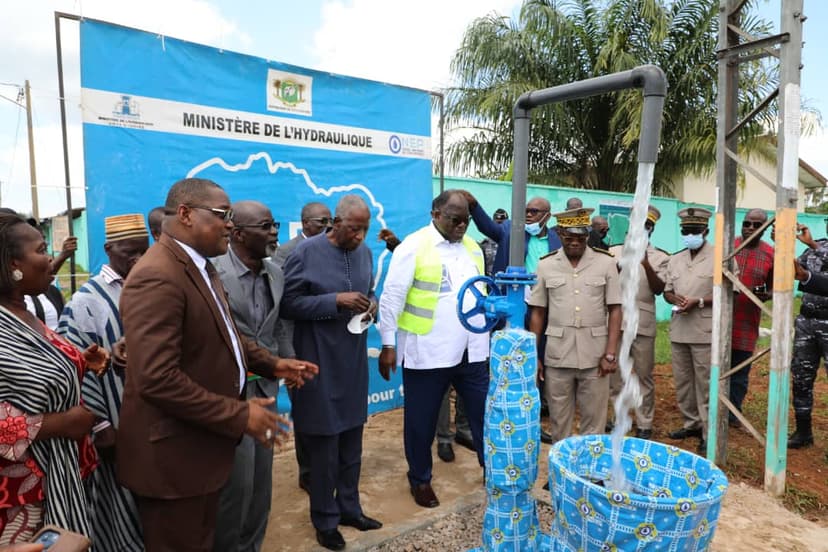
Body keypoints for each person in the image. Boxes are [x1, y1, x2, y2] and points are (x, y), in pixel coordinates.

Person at [116, 178, 318, 551]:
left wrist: (274, 364)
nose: (229, 223)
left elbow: (226, 336)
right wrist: (239, 414)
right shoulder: (158, 275)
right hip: (172, 462)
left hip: (198, 450)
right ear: (185, 214)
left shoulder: (199, 267)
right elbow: (157, 380)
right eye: (222, 215)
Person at [281, 195, 381, 551]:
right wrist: (334, 301)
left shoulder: (366, 253)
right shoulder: (305, 253)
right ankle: (325, 520)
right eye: (355, 229)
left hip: (352, 360)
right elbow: (288, 305)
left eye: (365, 229)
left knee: (352, 441)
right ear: (335, 223)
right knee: (323, 448)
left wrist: (371, 304)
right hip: (317, 360)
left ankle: (350, 508)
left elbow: (368, 291)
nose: (360, 236)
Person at [379, 190, 490, 510]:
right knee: (420, 421)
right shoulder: (413, 247)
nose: (462, 226)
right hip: (428, 352)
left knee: (484, 415)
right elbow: (391, 299)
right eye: (455, 219)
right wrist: (388, 344)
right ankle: (420, 479)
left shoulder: (473, 248)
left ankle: (492, 472)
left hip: (472, 351)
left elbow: (478, 293)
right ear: (435, 215)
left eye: (466, 221)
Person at [0, 212, 107, 543]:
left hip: (63, 478)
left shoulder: (25, 312)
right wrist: (61, 424)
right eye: (42, 249)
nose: (51, 258)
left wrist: (77, 362)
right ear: (13, 264)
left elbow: (30, 375)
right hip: (22, 497)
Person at [57, 213, 150, 551]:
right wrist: (100, 426)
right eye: (130, 252)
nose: (138, 259)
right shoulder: (87, 300)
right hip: (115, 420)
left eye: (143, 250)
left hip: (152, 421)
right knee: (118, 506)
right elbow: (75, 371)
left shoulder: (151, 288)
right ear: (109, 249)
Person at [212, 201, 293, 552]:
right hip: (230, 393)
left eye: (274, 223)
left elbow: (277, 327)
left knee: (262, 484)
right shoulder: (212, 273)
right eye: (265, 226)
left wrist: (285, 363)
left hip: (268, 389)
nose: (274, 231)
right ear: (239, 234)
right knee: (236, 487)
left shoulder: (276, 272)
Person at [528, 207, 622, 446]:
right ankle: (561, 473)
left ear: (587, 234)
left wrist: (610, 353)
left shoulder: (605, 263)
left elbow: (615, 309)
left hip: (596, 355)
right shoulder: (546, 265)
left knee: (595, 421)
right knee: (560, 421)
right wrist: (533, 354)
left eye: (580, 237)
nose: (575, 243)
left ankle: (590, 474)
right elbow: (538, 311)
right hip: (557, 356)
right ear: (559, 233)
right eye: (569, 237)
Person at [272, 200, 332, 494]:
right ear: (305, 222)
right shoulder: (286, 253)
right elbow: (281, 308)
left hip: (327, 343)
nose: (327, 226)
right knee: (306, 410)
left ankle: (327, 467)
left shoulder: (334, 250)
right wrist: (288, 354)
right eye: (322, 221)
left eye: (330, 220)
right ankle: (308, 472)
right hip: (297, 345)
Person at [607, 205, 669, 439]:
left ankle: (644, 423)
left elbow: (660, 289)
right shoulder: (612, 252)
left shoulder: (661, 257)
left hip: (642, 323)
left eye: (646, 226)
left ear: (651, 228)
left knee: (643, 375)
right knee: (615, 375)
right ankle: (618, 418)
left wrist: (645, 263)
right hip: (616, 322)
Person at [663, 207, 714, 453]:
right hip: (680, 328)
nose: (690, 235)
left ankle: (707, 431)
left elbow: (728, 292)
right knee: (683, 381)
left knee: (704, 383)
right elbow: (666, 290)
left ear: (706, 230)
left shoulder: (720, 256)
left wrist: (699, 301)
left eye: (694, 231)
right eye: (686, 231)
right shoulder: (675, 258)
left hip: (704, 329)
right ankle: (691, 423)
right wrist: (674, 299)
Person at [729, 209, 773, 426]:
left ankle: (733, 412)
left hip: (747, 321)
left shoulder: (770, 254)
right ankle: (712, 409)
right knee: (715, 367)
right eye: (747, 223)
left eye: (757, 225)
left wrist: (767, 295)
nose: (750, 229)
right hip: (719, 321)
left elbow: (774, 287)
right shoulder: (728, 248)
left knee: (740, 370)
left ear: (764, 228)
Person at [788, 221, 828, 448]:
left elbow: (807, 276)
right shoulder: (813, 249)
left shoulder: (815, 246)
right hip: (807, 322)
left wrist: (812, 243)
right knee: (801, 378)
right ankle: (803, 433)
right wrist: (781, 243)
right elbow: (793, 270)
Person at [463, 191, 562, 277]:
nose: (528, 215)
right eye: (526, 211)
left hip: (545, 295)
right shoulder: (511, 230)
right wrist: (474, 207)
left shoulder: (557, 240)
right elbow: (488, 227)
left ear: (547, 216)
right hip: (515, 293)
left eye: (534, 212)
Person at [273, 202, 332, 268]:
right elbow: (279, 277)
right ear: (306, 223)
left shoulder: (333, 249)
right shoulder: (286, 251)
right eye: (323, 221)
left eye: (331, 221)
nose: (329, 225)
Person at [479, 208, 507, 276]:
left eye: (501, 223)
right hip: (490, 281)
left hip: (507, 281)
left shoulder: (512, 243)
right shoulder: (484, 244)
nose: (499, 226)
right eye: (497, 223)